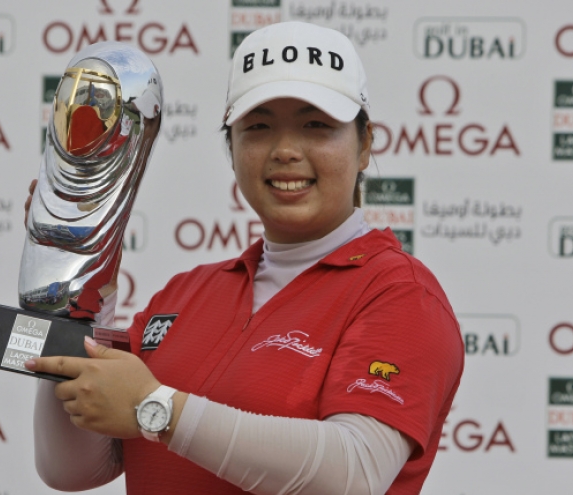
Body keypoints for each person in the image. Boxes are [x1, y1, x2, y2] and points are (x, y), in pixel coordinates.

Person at [26, 21, 463, 495]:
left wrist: (156, 407)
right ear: (231, 150)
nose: (286, 150)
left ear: (364, 145)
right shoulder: (186, 293)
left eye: (316, 125)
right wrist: (78, 294)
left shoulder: (399, 295)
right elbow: (71, 471)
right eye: (258, 127)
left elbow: (354, 474)